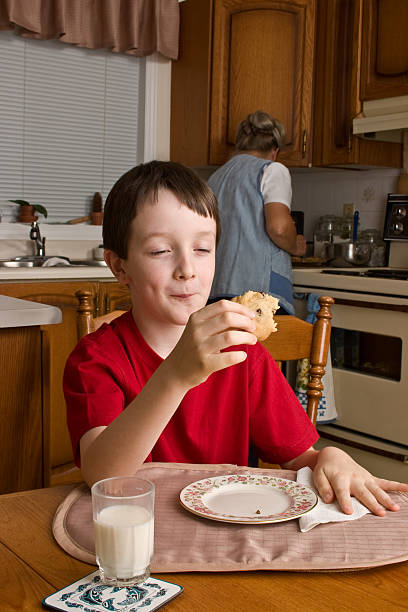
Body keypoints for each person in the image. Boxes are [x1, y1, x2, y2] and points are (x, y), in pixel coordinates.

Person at [64, 160, 407, 517]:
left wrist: (329, 457)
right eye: (161, 251)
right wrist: (175, 375)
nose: (187, 269)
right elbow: (105, 478)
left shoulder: (242, 351)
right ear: (120, 266)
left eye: (202, 249)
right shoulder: (96, 358)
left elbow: (298, 459)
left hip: (234, 532)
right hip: (140, 530)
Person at [208, 110, 306, 314]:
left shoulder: (216, 178)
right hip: (258, 295)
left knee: (229, 347)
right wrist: (295, 245)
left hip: (215, 290)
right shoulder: (272, 170)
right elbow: (278, 228)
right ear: (274, 151)